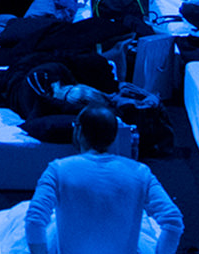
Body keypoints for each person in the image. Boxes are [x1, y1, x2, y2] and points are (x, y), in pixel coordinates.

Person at [25, 104, 185, 254]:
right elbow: (173, 220)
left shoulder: (58, 169)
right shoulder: (140, 172)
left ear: (79, 131)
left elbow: (34, 220)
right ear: (114, 136)